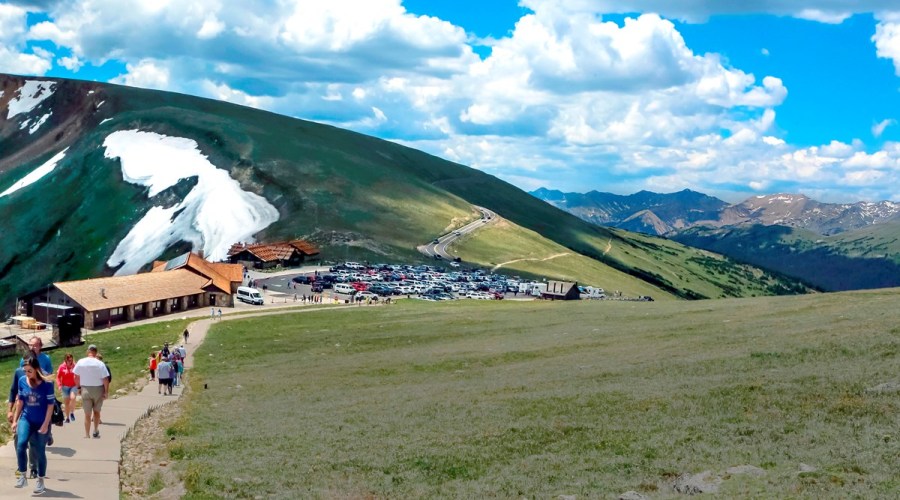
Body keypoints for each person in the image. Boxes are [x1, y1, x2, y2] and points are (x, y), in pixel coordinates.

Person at [12, 355, 55, 493]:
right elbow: (21, 401)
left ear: (37, 369)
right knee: (21, 444)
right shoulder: (22, 381)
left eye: (29, 371)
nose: (27, 374)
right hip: (27, 419)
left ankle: (40, 480)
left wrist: (45, 424)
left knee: (39, 450)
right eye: (25, 371)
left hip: (42, 421)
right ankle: (23, 476)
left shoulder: (47, 384)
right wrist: (15, 420)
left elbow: (50, 406)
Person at [73, 345, 110, 439]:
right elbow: (105, 379)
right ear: (96, 352)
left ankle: (87, 434)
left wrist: (78, 388)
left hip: (85, 389)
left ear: (87, 351)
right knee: (97, 412)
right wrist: (106, 392)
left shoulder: (81, 362)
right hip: (98, 389)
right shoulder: (100, 363)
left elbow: (75, 377)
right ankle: (95, 430)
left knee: (87, 414)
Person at [56, 353, 78, 423]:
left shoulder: (75, 366)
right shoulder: (62, 367)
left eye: (71, 360)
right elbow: (58, 377)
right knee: (66, 403)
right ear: (65, 360)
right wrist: (59, 385)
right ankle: (67, 418)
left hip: (73, 385)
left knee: (73, 398)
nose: (70, 362)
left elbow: (78, 375)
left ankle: (72, 413)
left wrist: (79, 384)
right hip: (65, 387)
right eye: (68, 360)